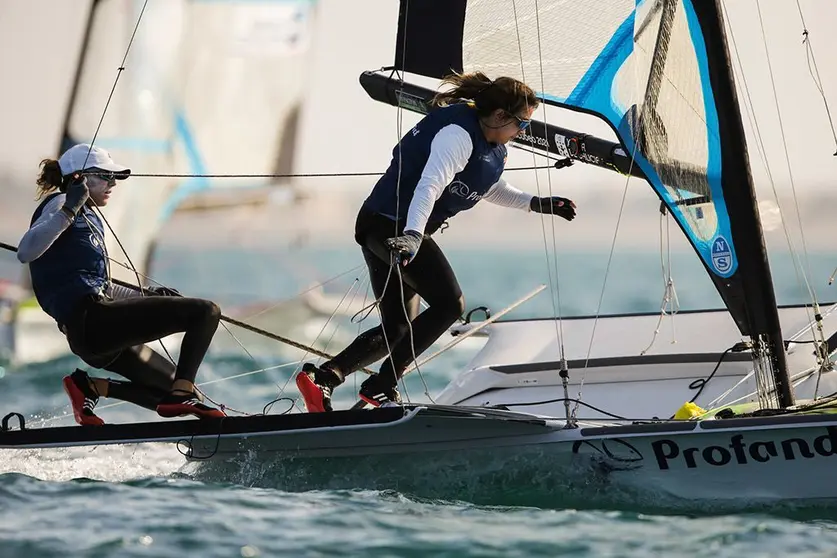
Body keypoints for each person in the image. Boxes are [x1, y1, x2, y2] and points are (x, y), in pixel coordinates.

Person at [296, 72, 577, 412]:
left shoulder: (493, 148)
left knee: (399, 328)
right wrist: (413, 236)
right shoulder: (457, 135)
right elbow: (430, 184)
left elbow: (484, 185)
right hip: (394, 227)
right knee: (450, 305)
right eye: (523, 124)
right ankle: (383, 383)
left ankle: (325, 377)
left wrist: (536, 203)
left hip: (388, 227)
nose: (523, 132)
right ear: (500, 116)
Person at [16, 143, 226, 425]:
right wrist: (70, 207)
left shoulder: (90, 219)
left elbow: (103, 286)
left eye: (114, 177)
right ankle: (181, 394)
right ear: (79, 177)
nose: (112, 183)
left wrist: (148, 295)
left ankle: (92, 388)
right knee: (206, 312)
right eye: (105, 176)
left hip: (97, 331)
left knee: (179, 393)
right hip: (90, 322)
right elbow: (26, 251)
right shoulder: (60, 205)